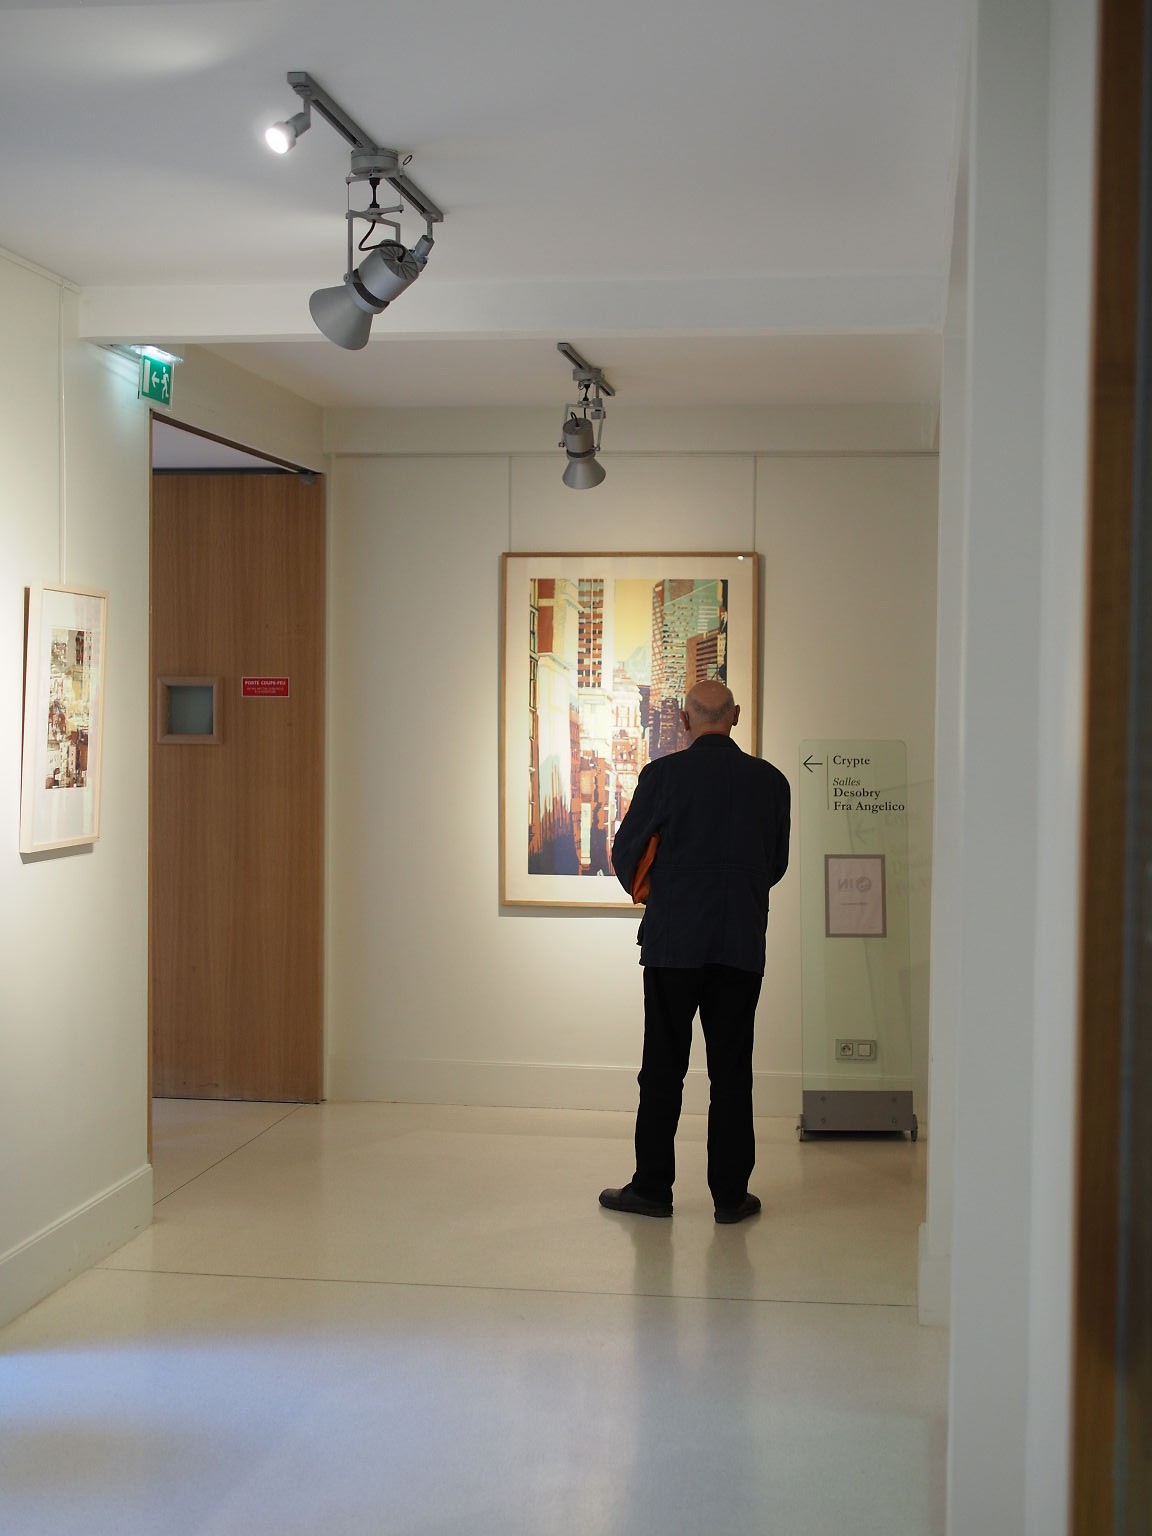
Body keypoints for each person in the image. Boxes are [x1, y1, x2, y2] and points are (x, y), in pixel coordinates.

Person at [601, 679, 790, 1223]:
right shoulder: (771, 782)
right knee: (732, 1072)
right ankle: (730, 1197)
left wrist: (665, 892)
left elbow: (626, 853)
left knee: (662, 1068)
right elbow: (775, 863)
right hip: (739, 942)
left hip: (673, 944)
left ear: (685, 721)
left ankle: (652, 1189)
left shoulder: (662, 776)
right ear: (736, 716)